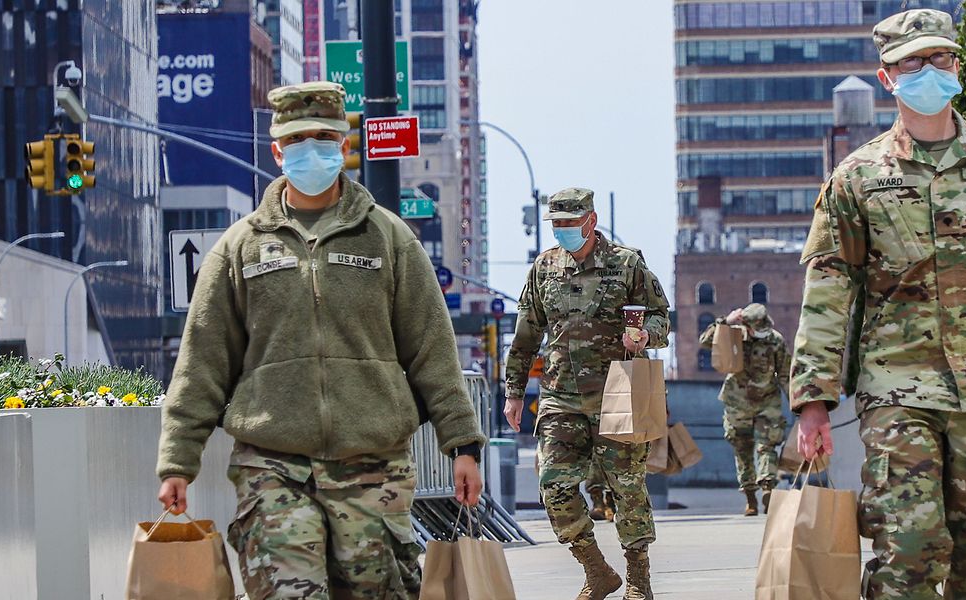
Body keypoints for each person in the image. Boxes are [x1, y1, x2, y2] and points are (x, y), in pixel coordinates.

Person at [789, 10, 966, 599]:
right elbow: (828, 293)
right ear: (886, 78)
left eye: (940, 58)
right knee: (910, 548)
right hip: (897, 387)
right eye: (913, 63)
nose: (929, 71)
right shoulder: (857, 177)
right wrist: (812, 401)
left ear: (957, 65)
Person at [154, 80, 486, 600]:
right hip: (272, 463)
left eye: (324, 138)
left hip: (373, 464)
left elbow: (432, 349)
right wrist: (178, 462)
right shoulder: (240, 247)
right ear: (277, 151)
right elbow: (202, 362)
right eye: (299, 140)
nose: (312, 150)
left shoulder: (389, 239)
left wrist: (462, 445)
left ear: (344, 146)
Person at [504, 187, 670, 600]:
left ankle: (638, 578)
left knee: (626, 487)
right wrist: (514, 392)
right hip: (561, 395)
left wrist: (645, 333)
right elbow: (526, 335)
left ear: (590, 221)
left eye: (569, 223)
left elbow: (661, 318)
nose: (561, 231)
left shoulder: (626, 264)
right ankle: (596, 569)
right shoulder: (544, 268)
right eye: (556, 224)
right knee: (553, 485)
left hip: (620, 389)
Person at [698, 303, 789, 516]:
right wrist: (725, 321)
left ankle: (768, 489)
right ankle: (750, 498)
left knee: (768, 444)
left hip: (767, 401)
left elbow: (785, 372)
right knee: (742, 448)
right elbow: (705, 342)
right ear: (745, 324)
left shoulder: (775, 339)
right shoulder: (732, 334)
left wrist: (798, 405)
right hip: (737, 402)